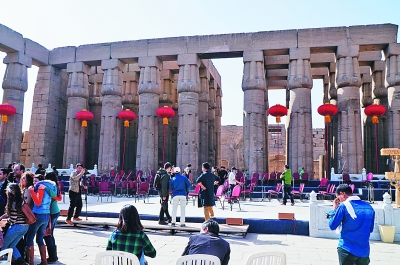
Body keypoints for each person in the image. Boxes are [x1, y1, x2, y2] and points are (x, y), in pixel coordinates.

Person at [327, 184, 375, 265]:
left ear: (343, 194)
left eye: (338, 197)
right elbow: (371, 229)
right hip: (364, 251)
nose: (339, 200)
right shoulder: (369, 207)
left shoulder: (343, 206)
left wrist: (334, 210)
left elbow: (332, 225)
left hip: (347, 248)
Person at [26, 174, 57, 265]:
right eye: (33, 181)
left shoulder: (40, 186)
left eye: (36, 181)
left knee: (29, 238)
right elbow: (55, 196)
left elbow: (38, 202)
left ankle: (30, 262)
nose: (34, 183)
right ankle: (44, 261)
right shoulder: (49, 186)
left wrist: (31, 191)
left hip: (38, 214)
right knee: (39, 238)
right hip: (46, 215)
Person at [0, 183, 29, 265]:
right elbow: (10, 213)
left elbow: (13, 219)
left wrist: (4, 222)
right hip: (24, 227)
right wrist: (2, 217)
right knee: (12, 246)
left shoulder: (13, 203)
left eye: (7, 190)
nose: (5, 191)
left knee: (3, 246)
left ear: (11, 192)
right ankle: (22, 263)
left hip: (16, 227)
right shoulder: (20, 200)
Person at [44, 172, 62, 263]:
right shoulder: (55, 186)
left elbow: (57, 197)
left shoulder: (51, 186)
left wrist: (45, 188)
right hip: (54, 211)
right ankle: (53, 255)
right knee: (50, 234)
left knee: (48, 235)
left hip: (51, 212)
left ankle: (52, 257)